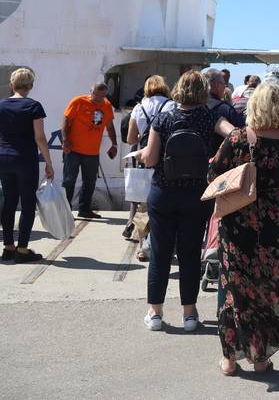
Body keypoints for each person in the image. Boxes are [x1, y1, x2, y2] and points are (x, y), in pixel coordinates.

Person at [209, 82, 279, 376]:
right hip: (275, 225)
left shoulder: (237, 138)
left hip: (238, 222)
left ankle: (230, 359)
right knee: (268, 290)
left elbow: (214, 173)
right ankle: (260, 360)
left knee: (235, 290)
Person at [132, 71, 216, 332]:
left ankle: (155, 313)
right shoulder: (208, 118)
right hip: (196, 193)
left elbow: (152, 159)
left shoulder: (164, 116)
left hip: (164, 193)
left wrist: (142, 153)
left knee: (160, 253)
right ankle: (189, 315)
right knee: (190, 254)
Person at [0, 68, 54, 263]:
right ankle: (22, 250)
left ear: (11, 85)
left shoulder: (2, 105)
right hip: (25, 159)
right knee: (28, 203)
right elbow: (39, 137)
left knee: (8, 201)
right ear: (31, 86)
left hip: (3, 157)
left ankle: (7, 247)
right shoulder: (33, 106)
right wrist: (49, 163)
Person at [123, 75, 173, 238]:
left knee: (139, 192)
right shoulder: (170, 105)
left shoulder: (139, 107)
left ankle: (132, 223)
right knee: (156, 194)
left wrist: (142, 138)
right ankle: (145, 236)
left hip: (141, 154)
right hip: (162, 155)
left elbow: (130, 138)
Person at [61, 82, 118, 219]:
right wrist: (65, 140)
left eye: (102, 96)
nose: (98, 98)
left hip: (92, 152)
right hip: (73, 150)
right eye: (96, 95)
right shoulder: (78, 101)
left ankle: (84, 209)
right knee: (69, 180)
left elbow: (110, 127)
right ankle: (65, 211)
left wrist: (114, 144)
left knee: (90, 181)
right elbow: (65, 121)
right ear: (90, 91)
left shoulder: (106, 106)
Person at [203, 69, 245, 153]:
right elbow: (242, 134)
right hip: (219, 160)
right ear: (217, 85)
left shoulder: (196, 107)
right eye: (224, 84)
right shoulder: (225, 109)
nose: (225, 87)